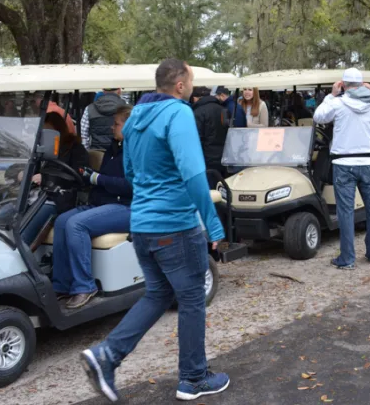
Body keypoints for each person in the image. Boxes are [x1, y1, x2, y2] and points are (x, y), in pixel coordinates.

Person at [81, 58, 228, 403]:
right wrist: (214, 223)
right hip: (175, 225)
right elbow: (193, 175)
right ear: (180, 85)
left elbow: (132, 175)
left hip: (142, 225)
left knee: (158, 295)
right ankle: (192, 378)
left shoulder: (134, 122)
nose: (191, 87)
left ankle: (107, 355)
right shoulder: (178, 114)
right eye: (190, 81)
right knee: (191, 298)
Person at [53, 105, 133, 309]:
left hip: (127, 207)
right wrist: (88, 177)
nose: (111, 128)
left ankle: (85, 286)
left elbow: (130, 186)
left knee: (76, 225)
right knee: (62, 221)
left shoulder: (136, 151)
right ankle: (62, 285)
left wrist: (97, 178)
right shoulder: (114, 148)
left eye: (116, 124)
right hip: (105, 202)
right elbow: (103, 181)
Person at [313, 68, 370, 269]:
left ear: (343, 84)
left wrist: (331, 95)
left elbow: (319, 116)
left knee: (345, 212)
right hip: (369, 163)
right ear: (362, 83)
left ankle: (347, 259)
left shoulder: (338, 103)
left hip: (344, 163)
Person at [20, 112, 90, 244]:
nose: (45, 136)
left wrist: (45, 177)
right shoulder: (41, 150)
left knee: (22, 235)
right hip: (35, 197)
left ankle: (17, 256)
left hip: (57, 199)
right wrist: (19, 172)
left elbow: (81, 175)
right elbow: (27, 165)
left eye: (49, 132)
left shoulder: (75, 149)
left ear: (58, 131)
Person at [191, 86, 228, 176]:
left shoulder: (198, 112)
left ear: (196, 98)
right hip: (224, 156)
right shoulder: (223, 109)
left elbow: (197, 138)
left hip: (206, 159)